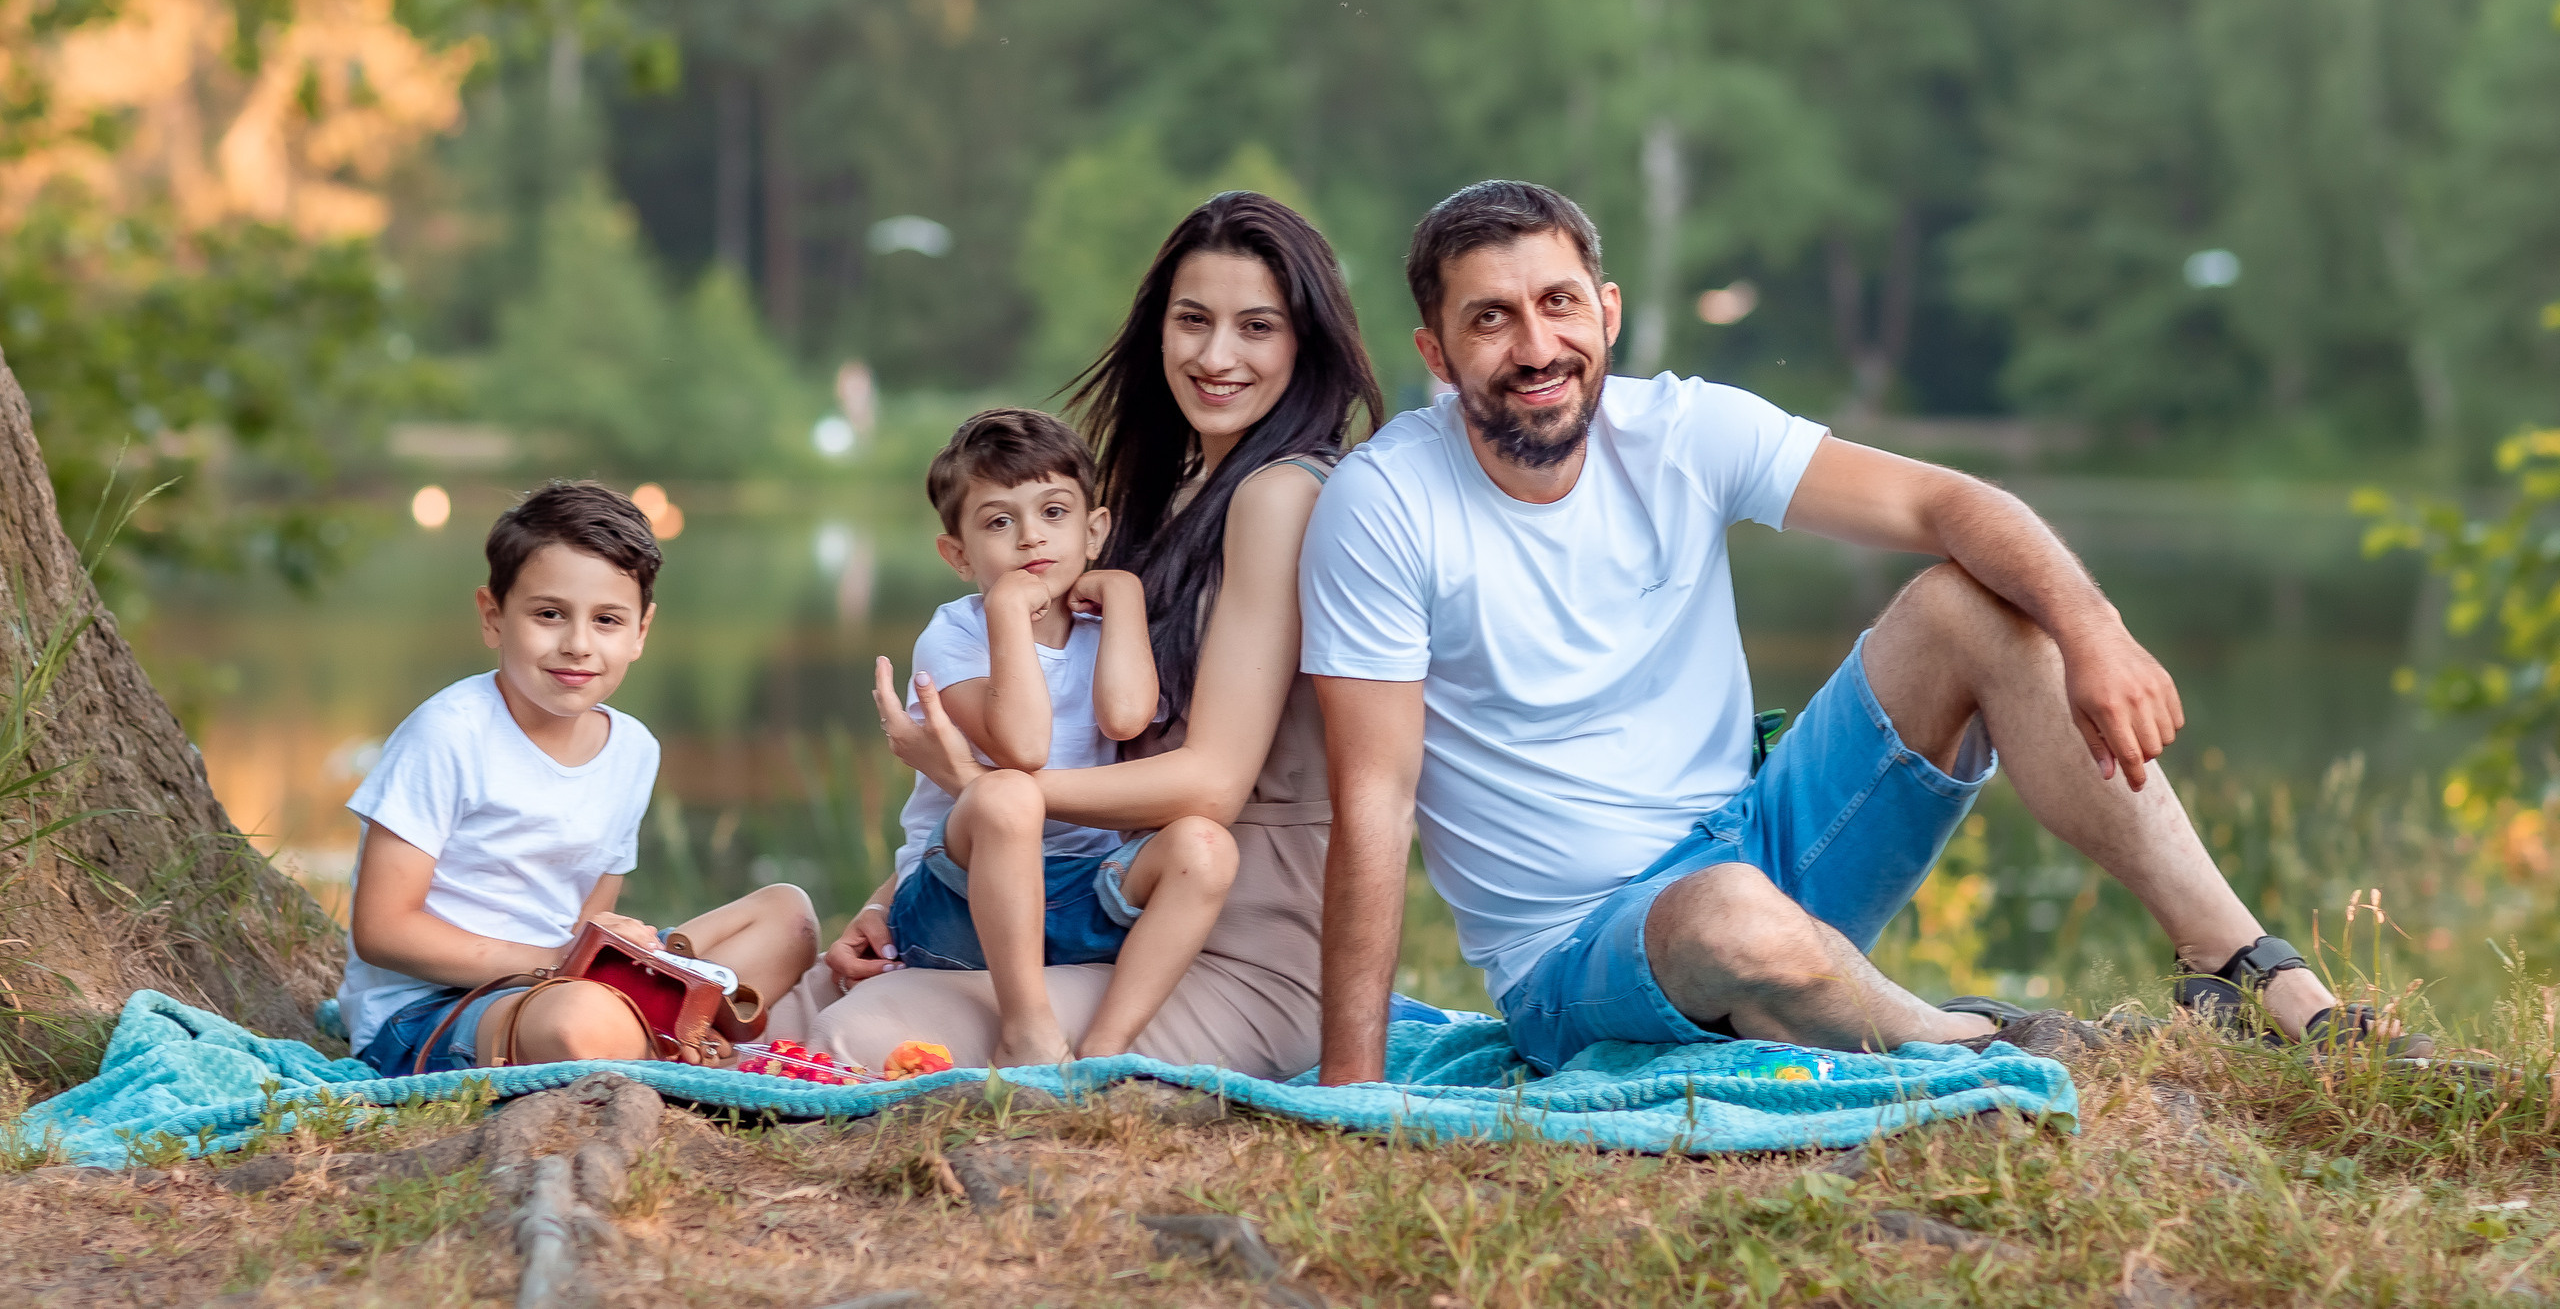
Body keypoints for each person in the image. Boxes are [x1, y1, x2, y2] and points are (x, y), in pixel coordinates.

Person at [1305, 180, 2364, 1083]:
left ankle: (2242, 971)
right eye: (1490, 319)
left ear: (1608, 312)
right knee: (1726, 916)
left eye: (1558, 304)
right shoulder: (1387, 504)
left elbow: (1942, 505)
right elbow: (1373, 801)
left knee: (1969, 604)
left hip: (1768, 847)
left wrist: (2092, 627)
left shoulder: (1678, 429)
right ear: (1435, 353)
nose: (1537, 346)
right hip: (1580, 958)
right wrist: (1351, 1088)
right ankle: (1986, 1046)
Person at [756, 191, 1384, 1077]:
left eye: (1257, 327)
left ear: (1304, 340)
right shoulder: (1166, 493)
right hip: (1103, 902)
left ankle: (1090, 1068)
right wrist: (894, 891)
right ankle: (593, 1007)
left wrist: (985, 783)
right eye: (1192, 320)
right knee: (839, 990)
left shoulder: (1282, 494)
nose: (1215, 355)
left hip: (1234, 939)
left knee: (862, 1033)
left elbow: (1211, 780)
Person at [340, 481, 819, 1075]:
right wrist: (555, 963)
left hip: (565, 972)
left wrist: (604, 951)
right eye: (548, 615)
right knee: (581, 1022)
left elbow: (585, 919)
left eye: (607, 621)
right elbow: (383, 931)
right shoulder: (448, 734)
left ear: (641, 631)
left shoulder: (634, 750)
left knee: (787, 915)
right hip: (436, 1007)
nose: (577, 645)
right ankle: (685, 1044)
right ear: (493, 617)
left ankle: (668, 1032)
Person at [882, 407, 1239, 1067]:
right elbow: (1024, 746)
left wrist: (1126, 594)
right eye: (998, 521)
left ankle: (1108, 1046)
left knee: (1206, 846)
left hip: (1076, 892)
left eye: (1053, 512)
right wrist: (1008, 612)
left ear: (1093, 529)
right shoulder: (953, 635)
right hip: (954, 904)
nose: (1029, 539)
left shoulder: (1104, 623)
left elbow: (1126, 716)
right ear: (958, 555)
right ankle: (1028, 1030)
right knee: (1008, 797)